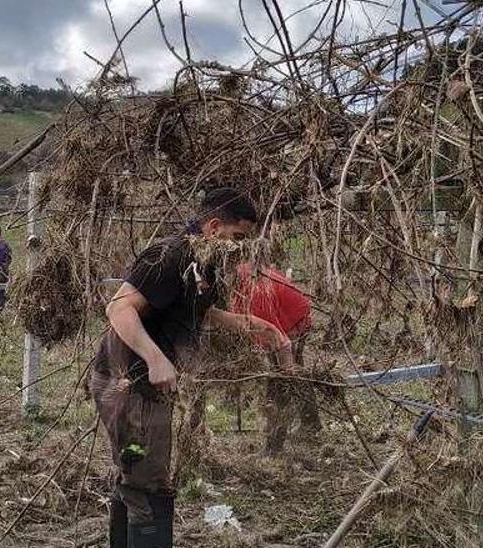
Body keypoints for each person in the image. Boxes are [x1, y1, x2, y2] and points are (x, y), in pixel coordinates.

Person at [89, 188, 289, 548]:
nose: (242, 247)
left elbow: (193, 309)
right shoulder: (171, 254)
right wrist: (155, 359)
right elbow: (118, 308)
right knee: (147, 483)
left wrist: (253, 324)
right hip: (129, 385)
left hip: (143, 387)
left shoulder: (203, 262)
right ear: (213, 226)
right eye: (238, 237)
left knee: (135, 473)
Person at [228, 261, 318, 455]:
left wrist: (283, 364)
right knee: (285, 370)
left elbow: (277, 338)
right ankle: (311, 423)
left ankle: (276, 444)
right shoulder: (235, 276)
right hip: (279, 313)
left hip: (293, 318)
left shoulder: (256, 295)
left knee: (282, 378)